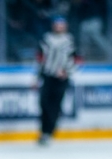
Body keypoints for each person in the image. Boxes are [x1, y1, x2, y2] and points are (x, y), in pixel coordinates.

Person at [37, 16, 77, 146]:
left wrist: (66, 71)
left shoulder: (70, 40)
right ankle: (44, 130)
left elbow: (76, 59)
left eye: (62, 24)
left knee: (55, 105)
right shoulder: (46, 39)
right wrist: (36, 77)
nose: (59, 27)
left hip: (62, 78)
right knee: (44, 103)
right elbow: (40, 59)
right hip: (48, 75)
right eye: (57, 24)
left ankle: (48, 132)